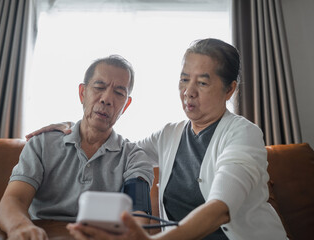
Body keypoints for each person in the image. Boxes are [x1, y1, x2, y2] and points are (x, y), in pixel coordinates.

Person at [28, 39, 287, 240]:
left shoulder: (243, 134)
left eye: (203, 83)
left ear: (230, 89)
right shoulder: (169, 135)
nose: (188, 92)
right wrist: (79, 126)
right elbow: (118, 150)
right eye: (184, 80)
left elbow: (221, 207)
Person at [0, 55, 154, 239]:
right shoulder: (42, 143)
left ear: (125, 105)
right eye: (99, 87)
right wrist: (19, 227)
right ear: (82, 93)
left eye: (119, 93)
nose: (107, 99)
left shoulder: (134, 157)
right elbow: (14, 199)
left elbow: (138, 215)